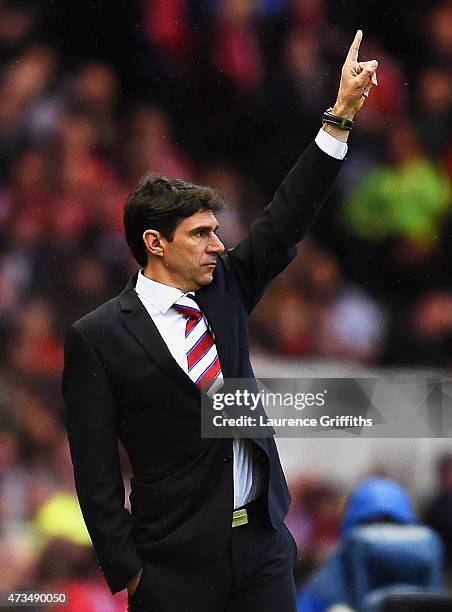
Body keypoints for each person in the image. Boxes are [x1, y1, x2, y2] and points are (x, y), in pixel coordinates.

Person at [62, 31, 378, 612]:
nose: (217, 244)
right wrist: (127, 572)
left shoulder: (228, 286)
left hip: (261, 549)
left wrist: (338, 119)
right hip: (173, 565)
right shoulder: (98, 338)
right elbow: (95, 467)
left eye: (216, 230)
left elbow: (284, 220)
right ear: (155, 243)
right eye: (201, 234)